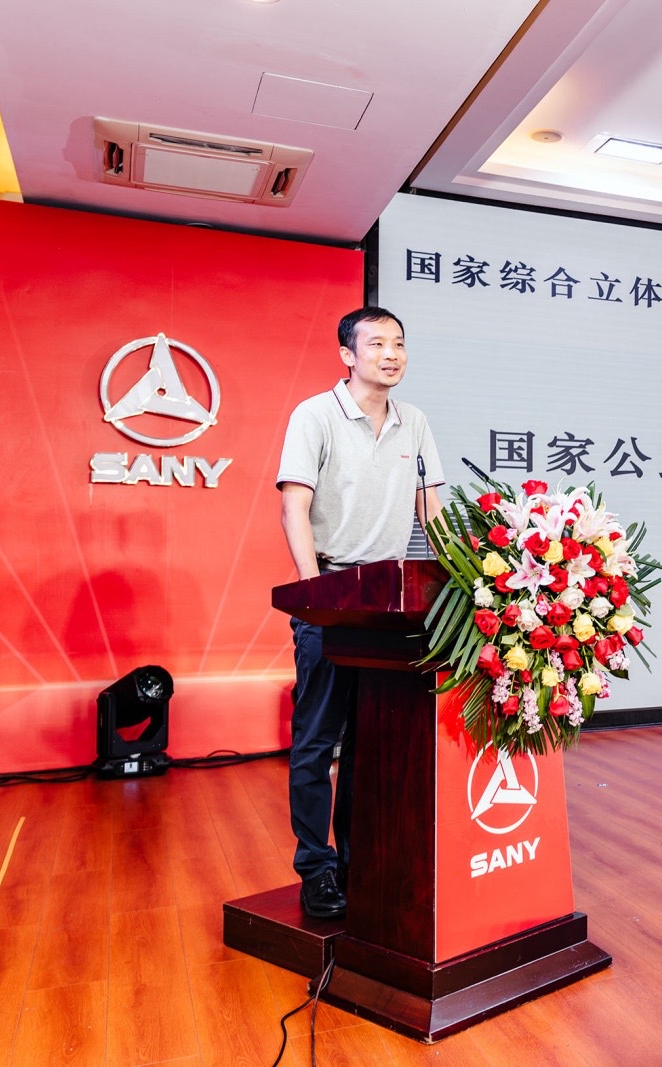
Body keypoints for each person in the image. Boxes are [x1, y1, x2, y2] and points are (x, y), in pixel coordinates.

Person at [275, 306, 444, 919]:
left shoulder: (413, 421)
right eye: (376, 344)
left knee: (372, 742)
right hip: (333, 595)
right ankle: (316, 868)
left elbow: (432, 513)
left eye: (398, 343)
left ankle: (358, 859)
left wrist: (467, 579)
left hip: (390, 605)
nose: (391, 354)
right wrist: (313, 590)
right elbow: (294, 507)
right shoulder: (316, 415)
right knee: (318, 740)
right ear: (348, 354)